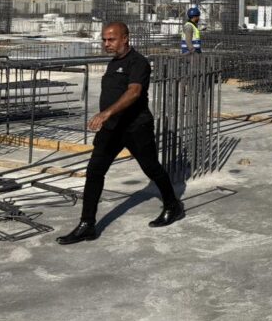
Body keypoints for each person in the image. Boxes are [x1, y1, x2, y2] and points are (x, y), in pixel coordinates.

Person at [57, 22, 182, 245]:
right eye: (104, 40)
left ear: (125, 38)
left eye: (111, 39)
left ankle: (173, 206)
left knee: (151, 168)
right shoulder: (113, 63)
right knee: (94, 172)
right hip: (112, 129)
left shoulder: (138, 62)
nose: (107, 44)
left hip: (136, 127)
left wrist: (106, 113)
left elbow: (134, 92)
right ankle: (87, 224)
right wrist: (107, 117)